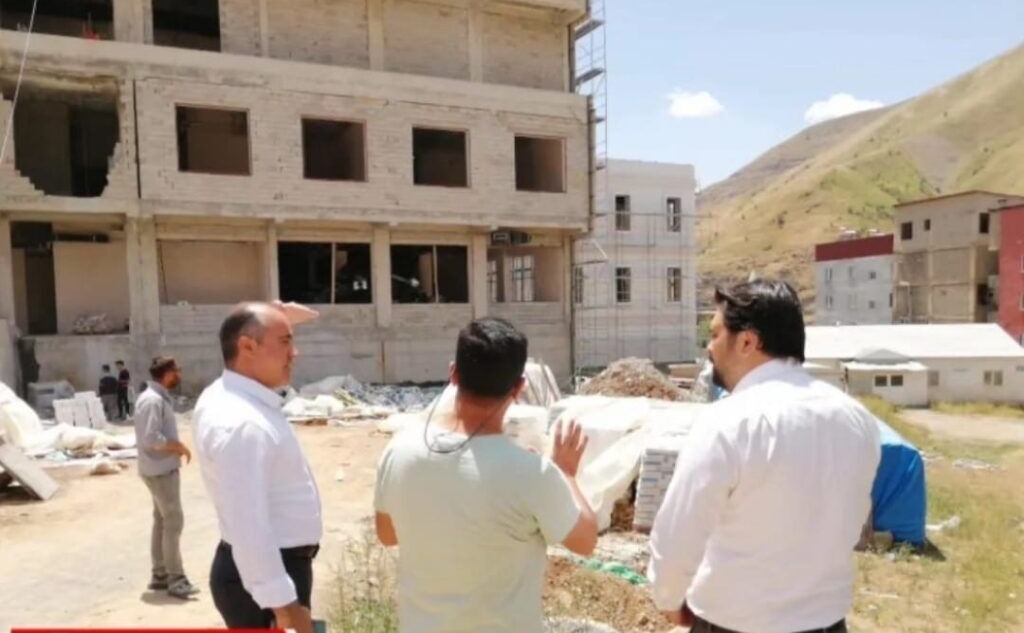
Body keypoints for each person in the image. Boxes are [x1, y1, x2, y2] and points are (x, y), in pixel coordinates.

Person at [648, 280, 881, 633]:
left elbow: (678, 535)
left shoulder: (728, 422)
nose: (709, 347)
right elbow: (851, 519)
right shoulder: (857, 419)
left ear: (747, 342)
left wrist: (669, 600)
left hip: (734, 624)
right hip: (827, 623)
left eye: (715, 334)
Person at [374, 317, 598, 633]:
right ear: (519, 387)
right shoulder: (532, 474)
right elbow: (585, 541)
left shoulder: (399, 450)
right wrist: (567, 474)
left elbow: (388, 535)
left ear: (453, 373)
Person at [193, 302, 321, 633]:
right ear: (247, 347)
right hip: (266, 584)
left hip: (267, 573)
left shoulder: (231, 395)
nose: (294, 353)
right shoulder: (242, 423)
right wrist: (283, 605)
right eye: (285, 342)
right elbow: (248, 524)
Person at [134, 356, 198, 599]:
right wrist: (177, 446)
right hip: (160, 470)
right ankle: (176, 579)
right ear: (169, 373)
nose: (179, 375)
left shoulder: (153, 397)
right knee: (173, 521)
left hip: (155, 468)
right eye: (177, 371)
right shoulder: (152, 400)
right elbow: (151, 437)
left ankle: (160, 574)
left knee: (161, 520)